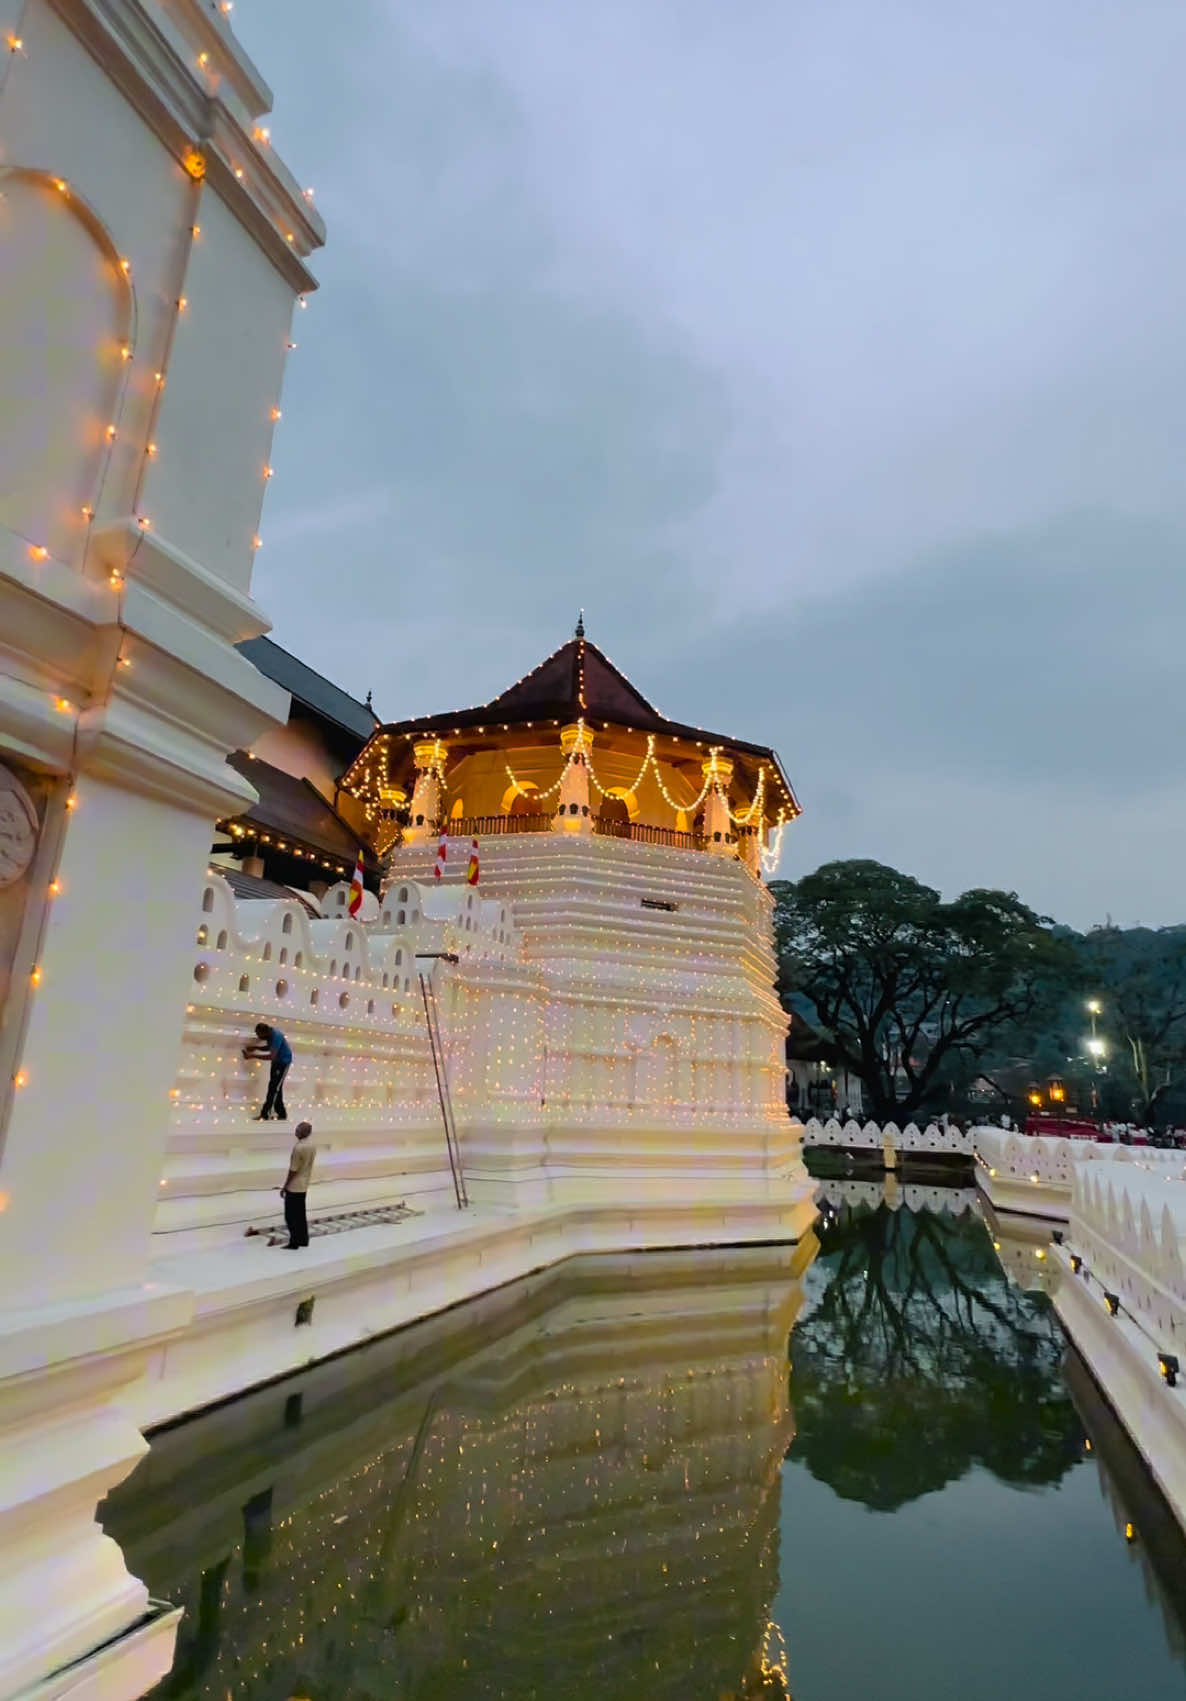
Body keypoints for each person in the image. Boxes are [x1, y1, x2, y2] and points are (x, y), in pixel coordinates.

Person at [242, 1022, 292, 1121]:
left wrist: (252, 1056)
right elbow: (270, 1048)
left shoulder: (276, 1035)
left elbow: (271, 1055)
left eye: (259, 1035)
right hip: (276, 1062)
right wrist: (255, 1048)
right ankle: (281, 1114)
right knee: (276, 1088)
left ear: (265, 1032)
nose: (258, 1037)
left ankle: (265, 1114)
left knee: (274, 1089)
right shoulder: (270, 1035)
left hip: (283, 1063)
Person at [279, 1121, 315, 1249]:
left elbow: (293, 1170)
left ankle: (294, 1242)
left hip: (294, 1186)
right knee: (300, 1215)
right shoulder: (311, 1146)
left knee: (290, 1216)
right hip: (304, 1184)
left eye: (298, 1129)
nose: (296, 1131)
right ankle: (303, 1239)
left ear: (303, 1132)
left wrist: (285, 1186)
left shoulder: (299, 1148)